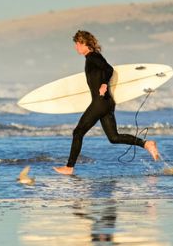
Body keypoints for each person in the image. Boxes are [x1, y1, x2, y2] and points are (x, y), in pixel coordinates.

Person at [52, 30, 160, 175]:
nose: (76, 47)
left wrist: (103, 84)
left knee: (78, 132)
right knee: (114, 137)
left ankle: (69, 167)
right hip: (107, 103)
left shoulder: (93, 57)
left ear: (84, 43)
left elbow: (109, 69)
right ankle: (146, 144)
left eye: (77, 44)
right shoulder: (93, 57)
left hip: (100, 103)